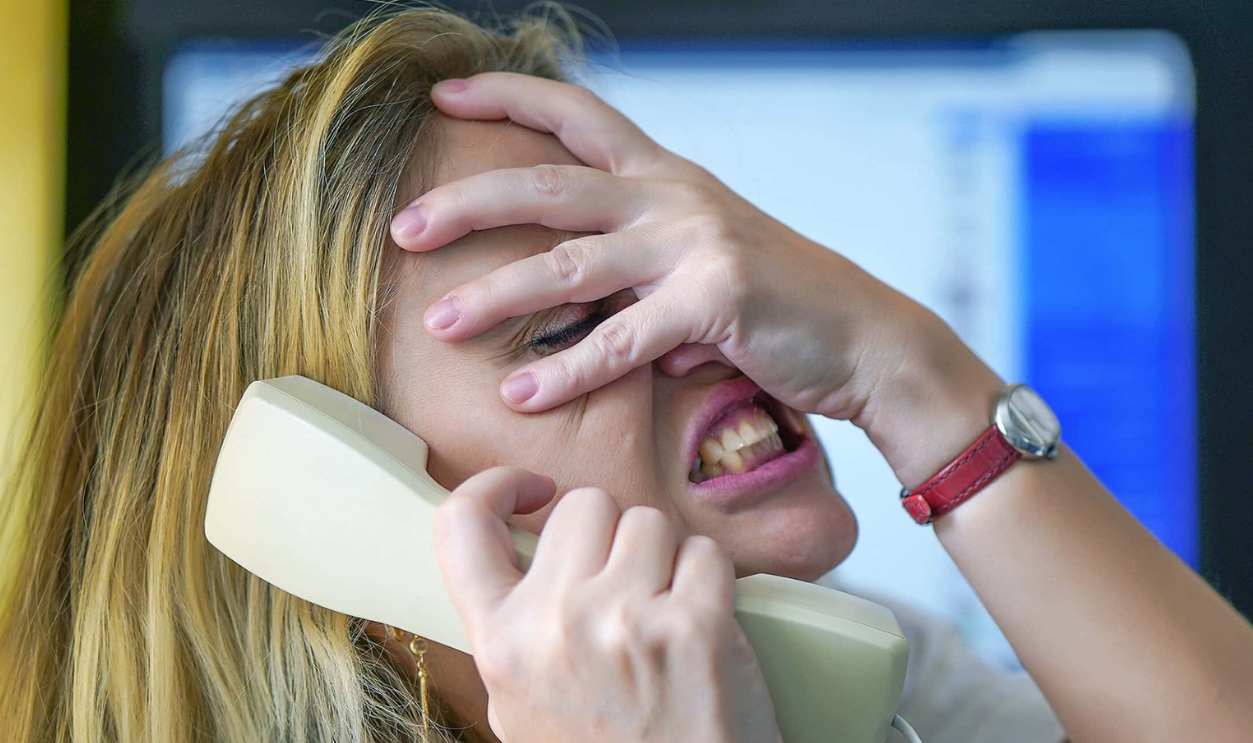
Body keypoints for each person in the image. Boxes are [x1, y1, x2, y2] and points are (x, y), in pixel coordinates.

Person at [0, 6, 1249, 743]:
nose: (712, 323)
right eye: (565, 326)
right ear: (330, 513)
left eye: (681, 258)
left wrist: (901, 361)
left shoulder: (866, 677)